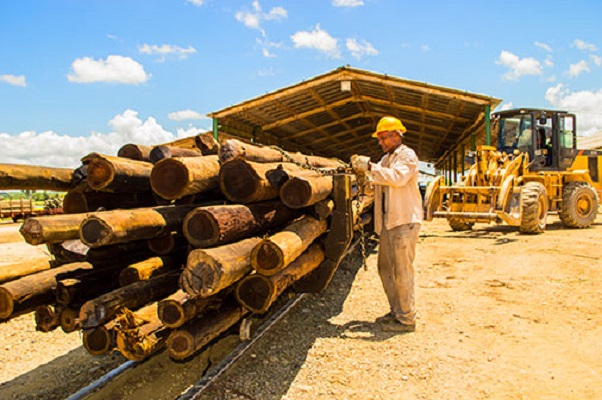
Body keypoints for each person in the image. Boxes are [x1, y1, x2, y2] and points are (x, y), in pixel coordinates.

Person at [351, 116, 423, 333]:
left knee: (402, 271)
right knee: (386, 269)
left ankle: (406, 319)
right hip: (389, 223)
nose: (380, 142)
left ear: (396, 135)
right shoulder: (385, 159)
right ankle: (396, 311)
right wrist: (362, 176)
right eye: (379, 139)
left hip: (404, 221)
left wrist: (369, 166)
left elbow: (398, 178)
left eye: (383, 138)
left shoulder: (407, 156)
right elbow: (378, 180)